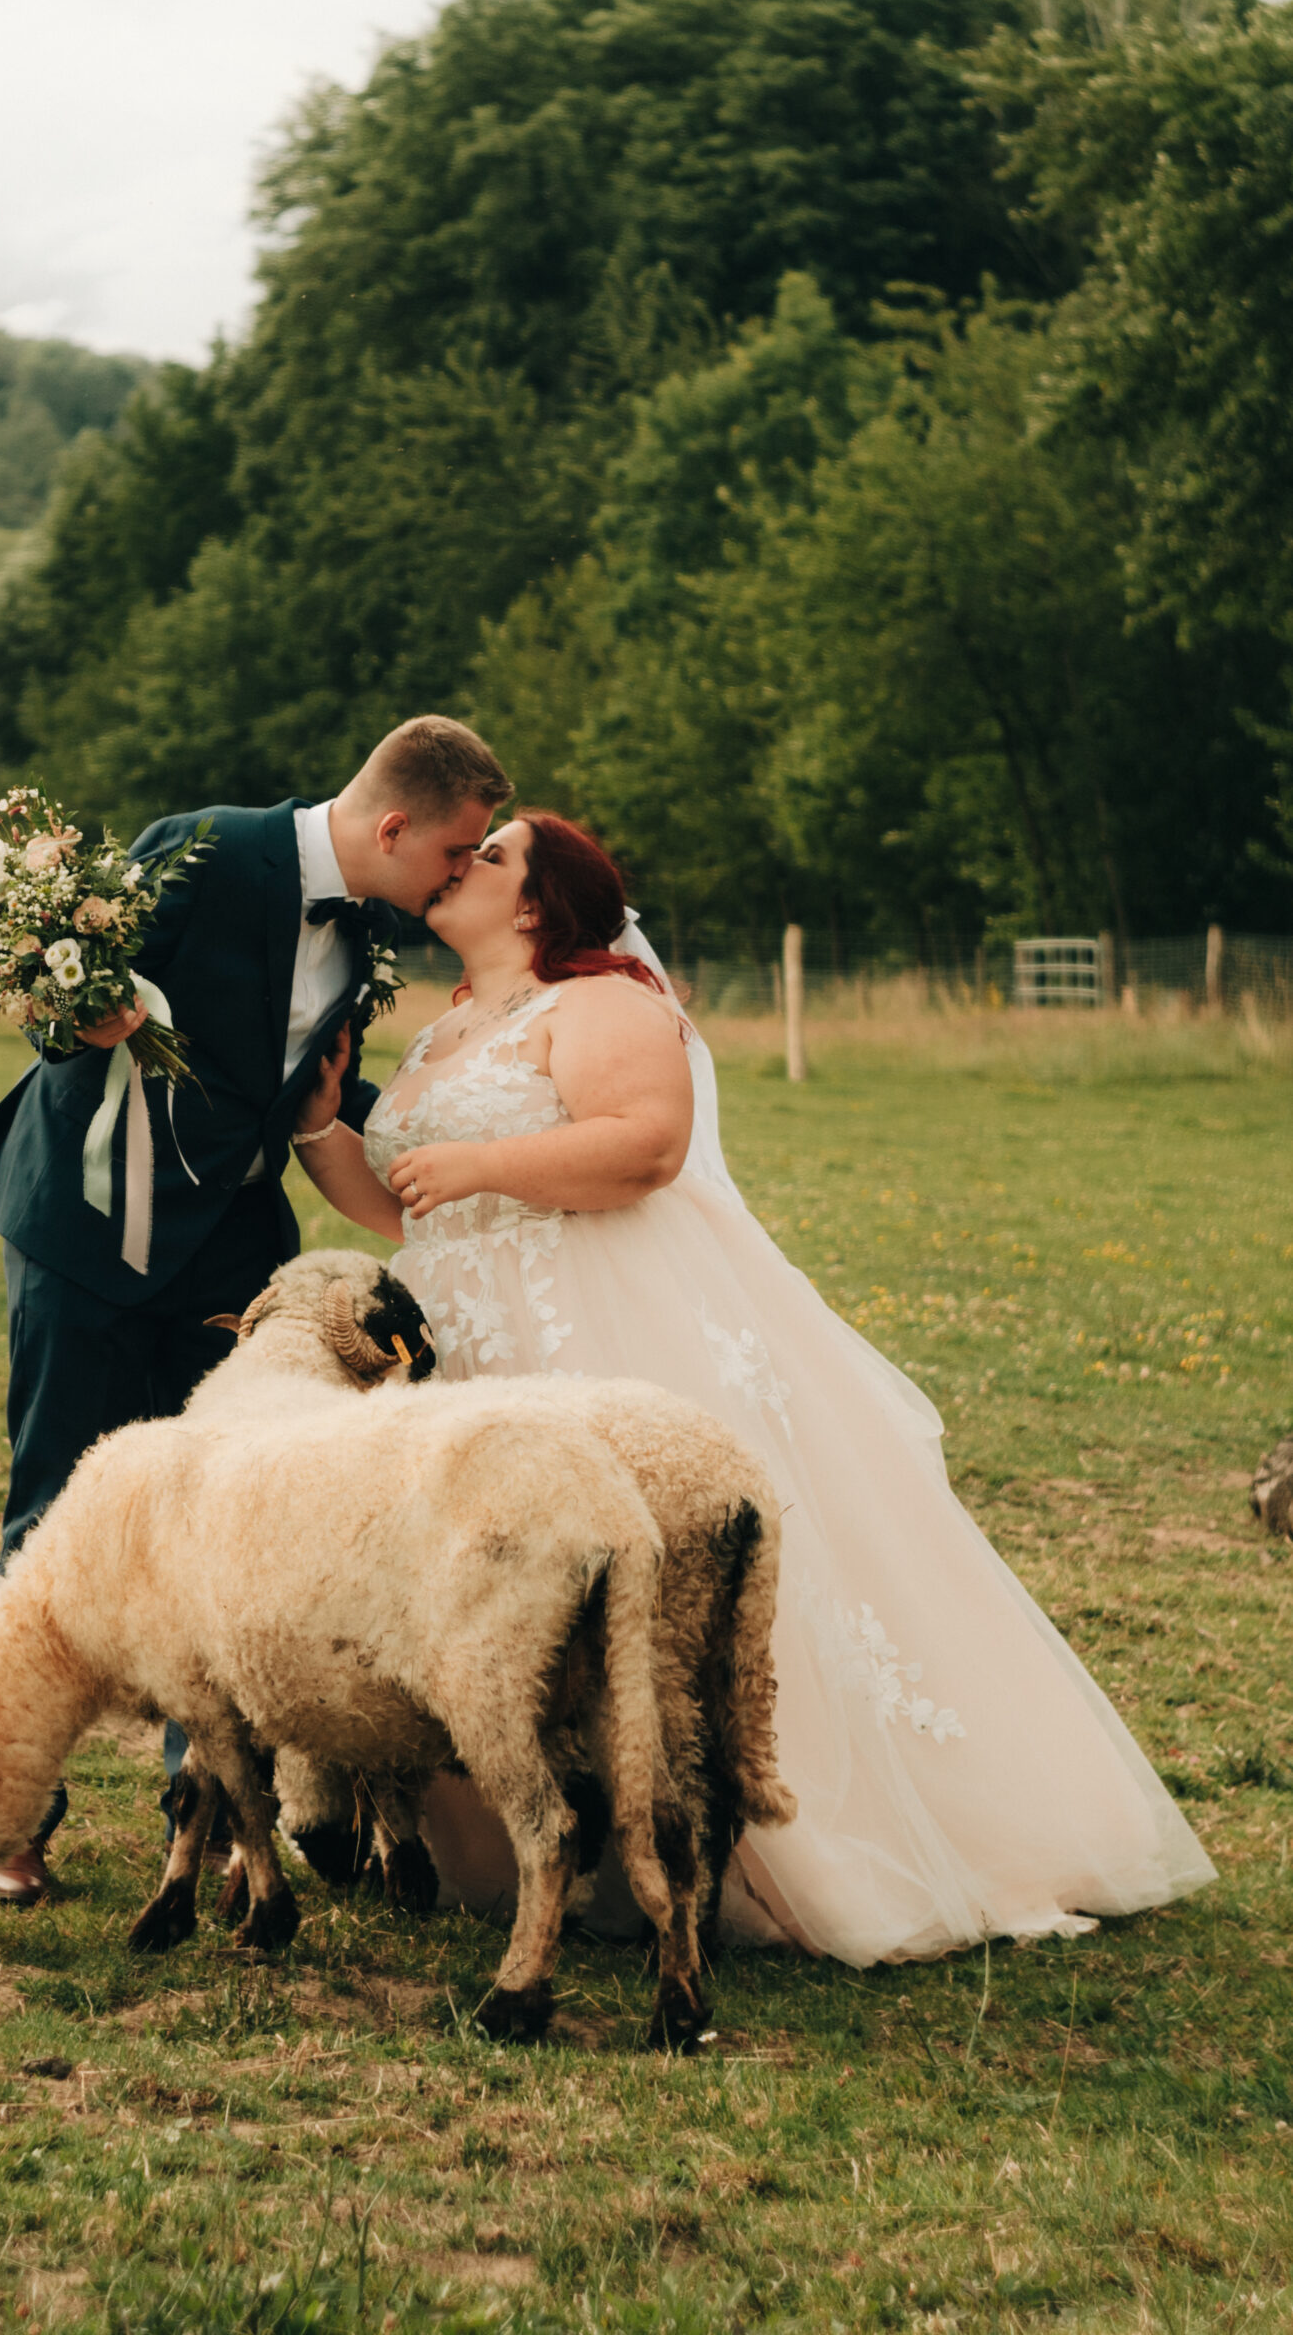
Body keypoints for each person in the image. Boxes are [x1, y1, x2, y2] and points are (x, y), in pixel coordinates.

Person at [290, 811, 1215, 1965]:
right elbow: (407, 1210)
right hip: (476, 1361)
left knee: (665, 1594)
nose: (460, 863)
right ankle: (561, 1843)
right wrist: (325, 1126)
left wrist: (479, 1161)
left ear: (536, 903)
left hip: (599, 1331)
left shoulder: (604, 1002)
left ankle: (762, 1843)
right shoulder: (444, 1032)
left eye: (491, 856)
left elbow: (646, 1145)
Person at [0, 717, 512, 1902]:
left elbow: (316, 1098)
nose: (461, 876)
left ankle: (201, 1824)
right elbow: (56, 989)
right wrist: (76, 1021)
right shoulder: (204, 850)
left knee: (222, 1532)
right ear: (393, 825)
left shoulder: (360, 947)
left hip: (231, 1267)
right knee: (52, 1509)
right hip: (86, 1230)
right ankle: (7, 1816)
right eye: (454, 854)